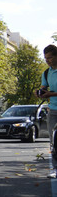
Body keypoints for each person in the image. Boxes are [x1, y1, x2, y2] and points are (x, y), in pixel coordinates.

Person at [38, 44, 57, 177]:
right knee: (54, 141)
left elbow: (50, 93)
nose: (48, 60)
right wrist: (39, 92)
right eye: (45, 58)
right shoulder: (46, 72)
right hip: (54, 110)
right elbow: (44, 87)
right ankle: (55, 168)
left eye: (50, 58)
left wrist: (51, 94)